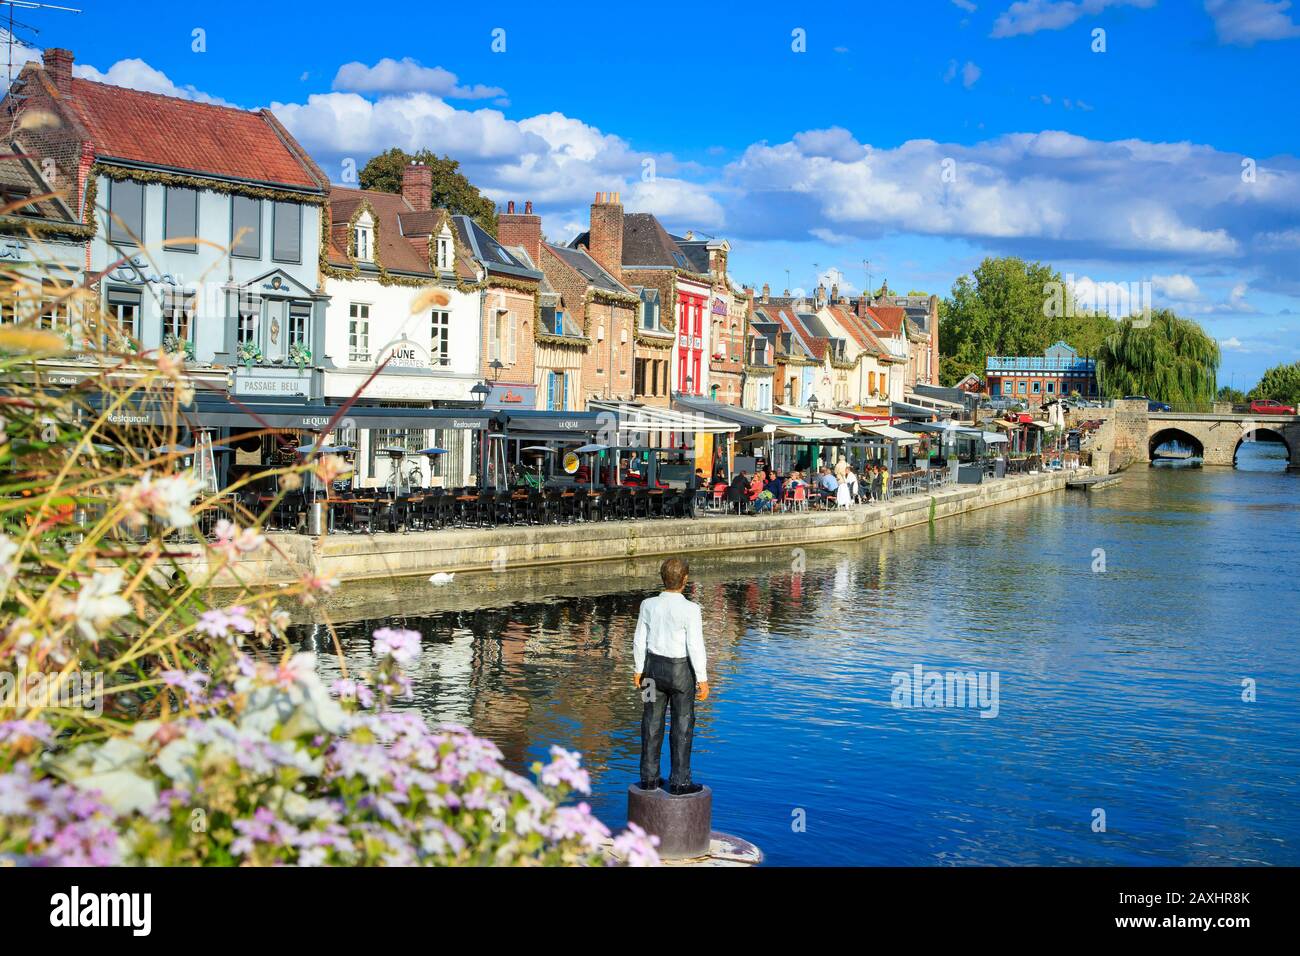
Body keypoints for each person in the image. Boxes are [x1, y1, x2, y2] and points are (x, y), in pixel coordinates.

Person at [632, 558, 709, 795]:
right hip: (680, 671)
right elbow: (695, 646)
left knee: (651, 723)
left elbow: (639, 638)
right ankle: (679, 781)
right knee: (683, 725)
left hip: (652, 669)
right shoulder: (691, 609)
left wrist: (638, 669)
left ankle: (648, 778)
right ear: (685, 580)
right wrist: (703, 679)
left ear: (662, 578)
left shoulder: (647, 604)